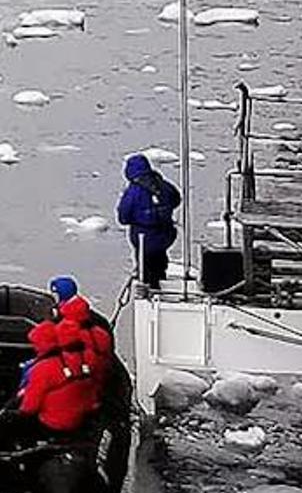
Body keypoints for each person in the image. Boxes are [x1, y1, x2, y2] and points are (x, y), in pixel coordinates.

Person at [16, 279, 116, 436]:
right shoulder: (100, 335)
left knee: (30, 373)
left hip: (57, 418)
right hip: (89, 395)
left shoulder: (50, 365)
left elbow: (30, 406)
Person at [115, 154, 184, 292]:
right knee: (159, 260)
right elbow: (176, 199)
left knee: (145, 266)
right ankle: (160, 280)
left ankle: (149, 289)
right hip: (164, 235)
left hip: (143, 238)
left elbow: (123, 217)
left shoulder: (133, 192)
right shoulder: (163, 184)